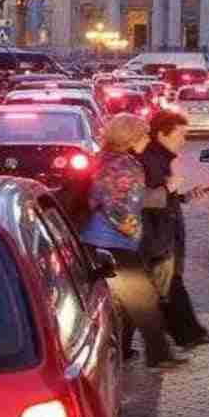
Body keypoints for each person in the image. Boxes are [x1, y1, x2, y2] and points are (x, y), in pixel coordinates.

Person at [79, 114, 187, 371]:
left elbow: (127, 197)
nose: (148, 138)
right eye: (144, 134)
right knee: (144, 300)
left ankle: (126, 351)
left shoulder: (107, 159)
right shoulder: (125, 165)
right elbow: (122, 208)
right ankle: (158, 357)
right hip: (113, 243)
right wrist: (134, 228)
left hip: (97, 240)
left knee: (128, 301)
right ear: (130, 138)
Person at [140, 111, 209, 349]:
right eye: (180, 134)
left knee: (168, 287)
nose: (184, 141)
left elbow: (165, 197)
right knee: (167, 287)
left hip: (163, 234)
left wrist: (185, 196)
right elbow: (143, 199)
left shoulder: (161, 158)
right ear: (161, 134)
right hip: (158, 237)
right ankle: (185, 337)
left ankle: (186, 334)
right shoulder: (150, 160)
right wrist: (170, 189)